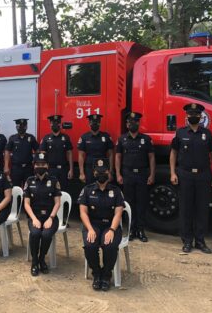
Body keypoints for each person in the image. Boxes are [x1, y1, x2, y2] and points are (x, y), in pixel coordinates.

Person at [170, 103, 212, 254]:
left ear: (200, 116)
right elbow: (173, 153)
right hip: (185, 175)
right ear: (186, 116)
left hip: (203, 176)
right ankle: (186, 241)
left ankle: (200, 241)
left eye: (196, 114)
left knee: (201, 209)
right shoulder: (180, 133)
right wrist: (173, 173)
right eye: (191, 113)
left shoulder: (207, 133)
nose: (193, 116)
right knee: (185, 209)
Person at [78, 159, 125, 291]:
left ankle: (106, 274)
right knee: (90, 245)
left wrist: (111, 230)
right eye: (98, 172)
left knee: (110, 245)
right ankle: (96, 273)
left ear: (109, 172)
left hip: (111, 225)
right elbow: (83, 212)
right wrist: (90, 229)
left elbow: (118, 214)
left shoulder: (116, 191)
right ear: (94, 173)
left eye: (104, 171)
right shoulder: (87, 190)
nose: (101, 174)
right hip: (93, 225)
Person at [115, 112, 155, 242]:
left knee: (141, 203)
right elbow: (118, 157)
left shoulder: (146, 139)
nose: (132, 124)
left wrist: (152, 174)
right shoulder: (122, 139)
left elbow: (151, 157)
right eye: (130, 122)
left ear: (139, 123)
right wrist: (118, 173)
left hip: (142, 174)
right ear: (127, 124)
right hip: (128, 174)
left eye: (135, 121)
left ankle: (141, 230)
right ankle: (131, 230)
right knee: (129, 203)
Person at [24, 152, 61, 276]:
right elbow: (26, 204)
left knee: (46, 235)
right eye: (38, 164)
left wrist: (51, 218)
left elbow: (57, 203)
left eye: (43, 164)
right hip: (35, 217)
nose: (40, 166)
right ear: (34, 166)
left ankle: (42, 259)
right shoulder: (29, 181)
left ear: (47, 166)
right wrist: (34, 218)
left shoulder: (54, 181)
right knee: (35, 233)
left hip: (50, 217)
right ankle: (35, 261)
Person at [40, 115, 73, 192]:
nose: (55, 124)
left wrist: (71, 169)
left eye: (57, 122)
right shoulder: (46, 138)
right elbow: (42, 155)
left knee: (63, 191)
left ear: (60, 124)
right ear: (50, 124)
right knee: (50, 191)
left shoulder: (65, 137)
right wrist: (44, 170)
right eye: (52, 123)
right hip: (50, 170)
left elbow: (69, 153)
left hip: (63, 170)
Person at [78, 114, 114, 184]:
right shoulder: (84, 137)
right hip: (89, 169)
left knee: (103, 191)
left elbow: (110, 154)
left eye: (97, 122)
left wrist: (110, 171)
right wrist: (81, 173)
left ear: (100, 123)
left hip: (103, 169)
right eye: (92, 122)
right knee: (90, 191)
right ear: (89, 123)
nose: (95, 124)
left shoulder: (106, 136)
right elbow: (81, 155)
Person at [4, 118, 39, 188]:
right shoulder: (12, 138)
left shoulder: (31, 138)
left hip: (28, 168)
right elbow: (7, 152)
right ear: (16, 127)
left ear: (26, 127)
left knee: (29, 188)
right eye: (19, 126)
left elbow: (37, 151)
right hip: (16, 168)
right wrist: (6, 166)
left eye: (23, 126)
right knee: (15, 188)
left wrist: (37, 164)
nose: (21, 128)